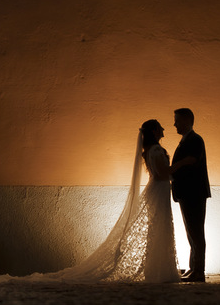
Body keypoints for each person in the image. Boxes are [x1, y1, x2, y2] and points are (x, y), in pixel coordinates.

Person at [43, 118, 179, 283]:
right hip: (159, 190)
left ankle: (157, 269)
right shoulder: (156, 150)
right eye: (160, 128)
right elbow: (162, 173)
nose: (163, 130)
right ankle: (159, 270)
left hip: (159, 190)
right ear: (154, 131)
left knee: (157, 226)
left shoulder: (151, 149)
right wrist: (182, 164)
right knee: (159, 226)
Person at [170, 107, 210, 281]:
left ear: (187, 121)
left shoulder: (195, 140)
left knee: (196, 232)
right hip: (188, 192)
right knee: (191, 232)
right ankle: (194, 267)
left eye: (177, 121)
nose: (175, 124)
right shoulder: (188, 140)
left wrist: (173, 168)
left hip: (193, 192)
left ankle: (198, 271)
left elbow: (191, 160)